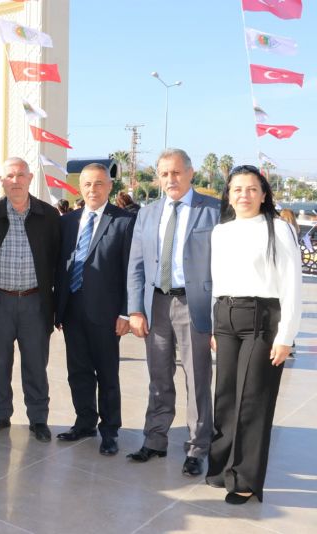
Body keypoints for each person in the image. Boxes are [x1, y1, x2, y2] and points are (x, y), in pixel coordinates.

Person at [206, 165, 301, 504]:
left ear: (263, 194)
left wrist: (286, 335)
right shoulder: (221, 231)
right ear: (228, 195)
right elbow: (216, 280)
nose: (243, 195)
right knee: (226, 397)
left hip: (262, 318)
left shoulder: (278, 229)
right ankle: (221, 468)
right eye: (237, 189)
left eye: (251, 189)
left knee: (252, 399)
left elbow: (292, 284)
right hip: (226, 316)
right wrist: (215, 326)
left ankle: (244, 479)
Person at [126, 148, 220, 476]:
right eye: (164, 174)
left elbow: (224, 267)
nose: (171, 179)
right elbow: (136, 265)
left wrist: (217, 318)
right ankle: (155, 439)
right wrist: (135, 310)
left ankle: (197, 448)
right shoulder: (147, 213)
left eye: (177, 172)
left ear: (191, 173)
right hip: (157, 304)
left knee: (198, 378)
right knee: (158, 376)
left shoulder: (213, 211)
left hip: (195, 306)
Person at [55, 163, 135, 455]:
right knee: (78, 371)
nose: (93, 189)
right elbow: (60, 266)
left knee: (107, 374)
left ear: (110, 187)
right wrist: (57, 308)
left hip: (106, 313)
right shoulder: (67, 222)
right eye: (87, 184)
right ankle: (84, 421)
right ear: (80, 187)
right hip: (72, 309)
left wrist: (126, 312)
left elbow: (131, 271)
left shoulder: (124, 222)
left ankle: (110, 430)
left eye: (99, 183)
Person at [0, 157, 60, 442]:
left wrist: (57, 306)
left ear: (30, 178)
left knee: (36, 364)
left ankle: (38, 418)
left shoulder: (48, 215)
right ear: (1, 180)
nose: (15, 181)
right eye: (10, 176)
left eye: (21, 175)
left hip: (35, 302)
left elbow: (58, 260)